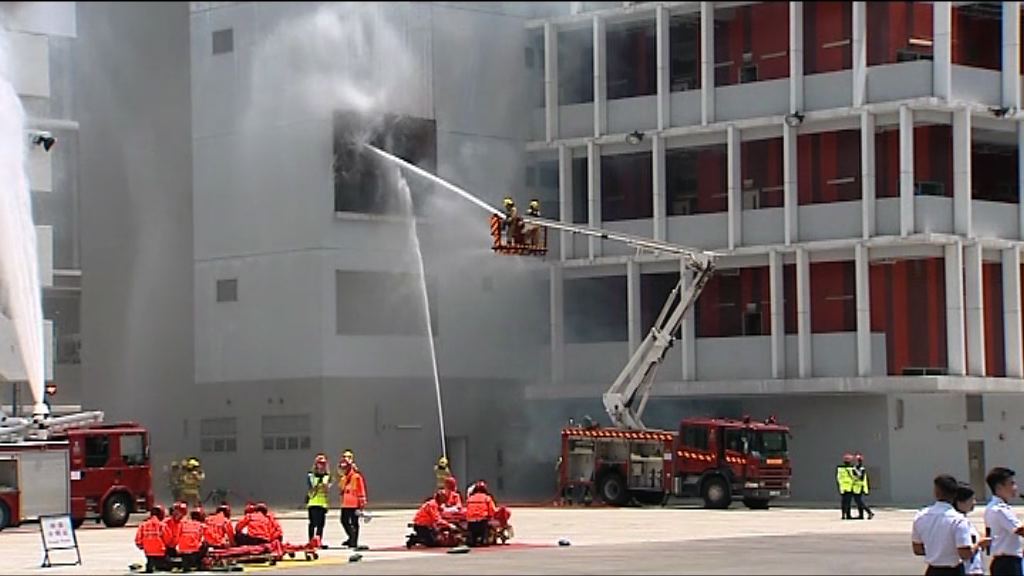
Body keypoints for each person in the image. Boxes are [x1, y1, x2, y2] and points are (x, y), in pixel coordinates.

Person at [912, 474, 974, 575]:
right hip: (953, 570)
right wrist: (977, 545)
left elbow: (917, 549)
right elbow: (964, 553)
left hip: (932, 570)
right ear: (955, 495)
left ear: (936, 493)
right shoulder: (958, 519)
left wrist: (935, 551)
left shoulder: (921, 516)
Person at [985, 467, 1024, 576]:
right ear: (999, 487)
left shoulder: (994, 507)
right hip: (1007, 563)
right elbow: (1019, 530)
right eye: (1011, 484)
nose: (1015, 488)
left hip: (1005, 562)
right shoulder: (1000, 509)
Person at [956, 482, 991, 576]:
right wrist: (979, 544)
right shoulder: (958, 522)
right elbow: (964, 552)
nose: (974, 503)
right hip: (968, 570)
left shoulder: (965, 521)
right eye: (971, 499)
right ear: (960, 502)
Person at [338, 449, 368, 549]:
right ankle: (351, 537)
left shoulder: (356, 476)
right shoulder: (344, 477)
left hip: (354, 503)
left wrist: (362, 502)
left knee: (354, 522)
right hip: (345, 503)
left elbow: (361, 489)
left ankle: (353, 540)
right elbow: (341, 489)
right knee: (344, 521)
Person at [135, 505, 169, 573]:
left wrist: (141, 546)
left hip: (148, 552)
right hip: (160, 552)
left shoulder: (143, 525)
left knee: (151, 561)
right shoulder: (162, 525)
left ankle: (151, 565)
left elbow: (138, 538)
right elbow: (168, 539)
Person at [307, 453, 332, 546]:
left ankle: (318, 541)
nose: (321, 466)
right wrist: (320, 481)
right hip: (313, 502)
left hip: (322, 503)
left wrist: (326, 485)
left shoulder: (327, 476)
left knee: (321, 524)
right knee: (312, 523)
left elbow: (327, 489)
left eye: (323, 464)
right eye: (320, 463)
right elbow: (312, 487)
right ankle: (311, 541)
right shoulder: (311, 475)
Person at [465, 480, 497, 547]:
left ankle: (471, 539)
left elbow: (467, 509)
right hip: (482, 522)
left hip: (471, 522)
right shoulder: (487, 498)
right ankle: (484, 539)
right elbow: (492, 510)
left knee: (471, 540)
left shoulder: (470, 498)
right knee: (485, 535)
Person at [177, 508, 207, 573]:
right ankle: (198, 562)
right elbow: (203, 538)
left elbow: (178, 536)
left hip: (182, 549)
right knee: (205, 543)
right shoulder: (202, 525)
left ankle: (187, 563)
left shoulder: (184, 523)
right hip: (194, 550)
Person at [851, 453, 875, 520]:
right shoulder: (855, 468)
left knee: (859, 501)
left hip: (859, 487)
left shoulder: (861, 469)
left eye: (856, 460)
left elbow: (861, 478)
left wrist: (855, 473)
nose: (855, 462)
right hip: (855, 487)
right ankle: (861, 515)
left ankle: (869, 512)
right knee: (857, 501)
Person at [836, 453, 855, 520]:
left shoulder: (840, 469)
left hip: (843, 487)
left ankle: (843, 514)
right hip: (849, 487)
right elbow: (853, 477)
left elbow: (838, 478)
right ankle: (848, 515)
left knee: (843, 502)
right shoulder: (851, 468)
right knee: (848, 502)